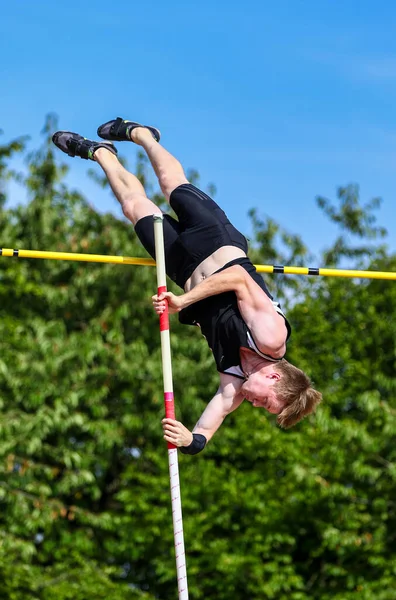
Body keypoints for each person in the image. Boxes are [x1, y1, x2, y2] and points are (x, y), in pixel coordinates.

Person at [52, 117, 322, 455]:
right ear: (275, 379)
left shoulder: (234, 382)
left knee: (133, 207)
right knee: (171, 183)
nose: (254, 405)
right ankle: (143, 135)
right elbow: (237, 278)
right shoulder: (271, 339)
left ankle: (100, 153)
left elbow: (212, 421)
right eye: (266, 404)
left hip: (182, 267)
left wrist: (190, 442)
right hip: (216, 242)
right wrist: (183, 302)